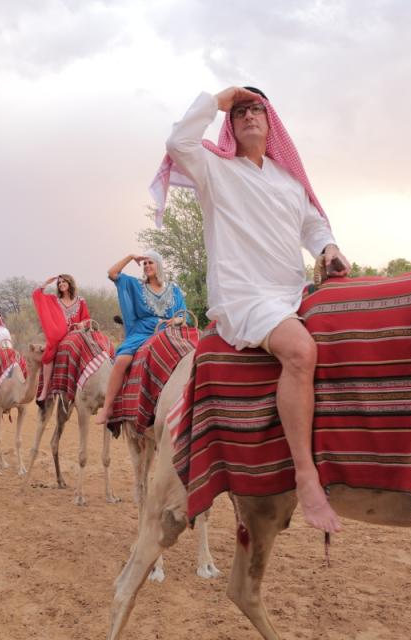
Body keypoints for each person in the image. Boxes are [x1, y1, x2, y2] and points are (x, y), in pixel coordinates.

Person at [153, 86, 350, 534]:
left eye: (255, 108)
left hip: (291, 291)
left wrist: (328, 247)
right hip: (247, 296)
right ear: (229, 123)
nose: (247, 116)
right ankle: (305, 476)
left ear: (270, 119)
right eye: (239, 112)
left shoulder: (288, 178)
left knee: (351, 332)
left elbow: (313, 224)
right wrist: (218, 99)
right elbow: (177, 143)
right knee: (300, 352)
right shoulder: (215, 168)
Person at [94, 250, 186, 424]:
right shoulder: (136, 285)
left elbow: (184, 315)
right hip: (142, 331)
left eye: (151, 262)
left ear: (158, 265)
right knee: (121, 360)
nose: (147, 266)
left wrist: (177, 319)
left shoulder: (174, 290)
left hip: (168, 330)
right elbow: (113, 273)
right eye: (145, 264)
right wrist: (130, 257)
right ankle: (108, 407)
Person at [32, 274, 91, 401]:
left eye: (64, 281)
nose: (61, 284)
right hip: (58, 335)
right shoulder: (54, 300)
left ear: (70, 283)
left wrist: (82, 323)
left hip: (76, 333)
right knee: (50, 352)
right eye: (59, 283)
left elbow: (86, 318)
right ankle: (45, 390)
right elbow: (37, 296)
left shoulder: (81, 301)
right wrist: (45, 284)